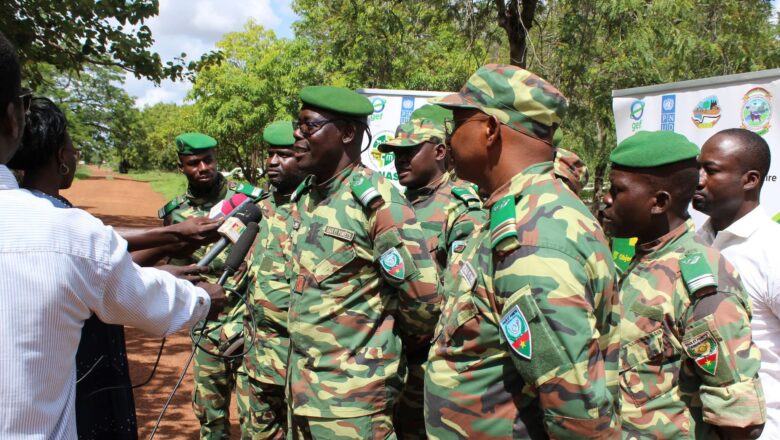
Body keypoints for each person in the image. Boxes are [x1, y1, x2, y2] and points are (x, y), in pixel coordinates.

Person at [0, 31, 226, 439]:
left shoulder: (68, 234)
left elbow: (100, 259)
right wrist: (199, 296)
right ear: (11, 120)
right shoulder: (64, 233)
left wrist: (170, 240)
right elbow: (133, 291)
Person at [423, 64, 620, 439]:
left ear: (490, 129)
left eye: (457, 123)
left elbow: (577, 414)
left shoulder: (532, 238)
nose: (449, 139)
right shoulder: (515, 211)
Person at [287, 85, 440, 438]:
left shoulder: (377, 203)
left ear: (347, 133)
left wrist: (385, 346)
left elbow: (425, 302)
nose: (298, 134)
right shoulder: (308, 197)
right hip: (303, 392)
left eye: (309, 126)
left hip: (354, 403)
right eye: (298, 125)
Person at [602, 130, 765, 439]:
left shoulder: (698, 277)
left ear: (659, 202)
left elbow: (740, 419)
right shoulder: (644, 260)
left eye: (618, 190)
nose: (607, 199)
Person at [377, 105, 485, 438]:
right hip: (386, 356)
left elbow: (462, 291)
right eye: (396, 154)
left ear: (440, 151)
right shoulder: (393, 205)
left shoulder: (461, 206)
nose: (400, 160)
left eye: (409, 152)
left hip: (429, 363)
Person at [159, 132, 262, 440]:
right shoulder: (173, 214)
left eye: (209, 160)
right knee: (210, 412)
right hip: (208, 325)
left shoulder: (248, 199)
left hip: (250, 321)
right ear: (182, 166)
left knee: (256, 415)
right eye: (194, 163)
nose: (203, 167)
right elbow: (169, 264)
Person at [693, 128, 780, 438]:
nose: (698, 179)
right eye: (697, 167)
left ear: (750, 180)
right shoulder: (694, 243)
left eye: (711, 170)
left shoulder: (772, 250)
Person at [238, 121, 307, 439]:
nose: (273, 162)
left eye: (284, 154)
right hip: (256, 357)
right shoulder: (254, 211)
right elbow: (233, 278)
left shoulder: (314, 214)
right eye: (270, 154)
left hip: (298, 364)